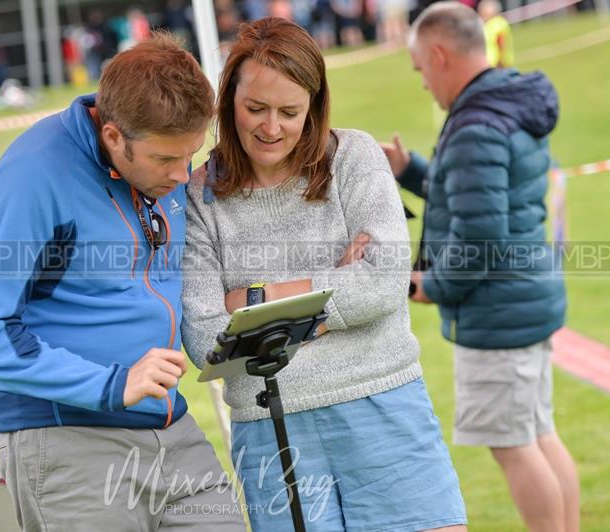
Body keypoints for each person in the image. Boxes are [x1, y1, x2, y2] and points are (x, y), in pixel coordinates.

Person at [181, 17, 467, 531]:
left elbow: (382, 284)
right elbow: (204, 337)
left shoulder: (354, 157)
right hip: (272, 426)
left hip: (384, 405)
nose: (272, 128)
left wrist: (249, 299)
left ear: (313, 106)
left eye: (290, 112)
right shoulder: (201, 198)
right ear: (228, 103)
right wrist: (332, 284)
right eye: (255, 109)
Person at [0, 34, 245, 532]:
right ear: (113, 136)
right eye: (164, 161)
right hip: (66, 439)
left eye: (189, 155)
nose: (181, 175)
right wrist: (112, 383)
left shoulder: (164, 155)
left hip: (169, 424)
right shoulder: (31, 176)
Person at [380, 3, 579, 531]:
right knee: (537, 433)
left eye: (421, 69)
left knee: (514, 445)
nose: (424, 83)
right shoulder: (503, 102)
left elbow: (482, 234)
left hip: (499, 313)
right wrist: (411, 170)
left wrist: (433, 286)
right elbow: (479, 198)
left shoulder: (475, 123)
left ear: (440, 55)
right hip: (523, 300)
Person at [478, 0, 514, 68]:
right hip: (486, 63)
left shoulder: (498, 23)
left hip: (496, 63)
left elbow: (501, 43)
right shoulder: (484, 24)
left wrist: (501, 61)